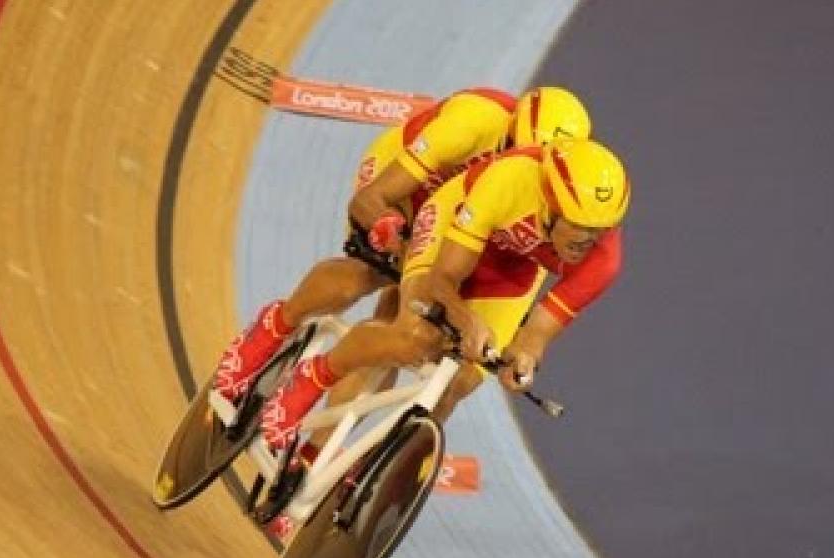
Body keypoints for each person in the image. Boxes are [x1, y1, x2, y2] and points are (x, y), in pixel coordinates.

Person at [213, 86, 592, 403]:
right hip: (407, 184)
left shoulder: (542, 194)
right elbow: (370, 201)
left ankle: (315, 452)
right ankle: (274, 327)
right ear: (511, 130)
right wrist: (386, 226)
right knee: (368, 273)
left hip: (463, 215)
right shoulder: (475, 121)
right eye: (516, 151)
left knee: (397, 336)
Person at [256, 137, 631, 454]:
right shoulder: (507, 181)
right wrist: (466, 321)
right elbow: (443, 279)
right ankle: (313, 377)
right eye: (580, 229)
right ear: (550, 208)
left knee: (462, 381)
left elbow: (535, 336)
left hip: (512, 268)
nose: (588, 242)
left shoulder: (604, 261)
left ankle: (379, 472)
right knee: (414, 338)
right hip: (455, 227)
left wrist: (523, 363)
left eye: (600, 231)